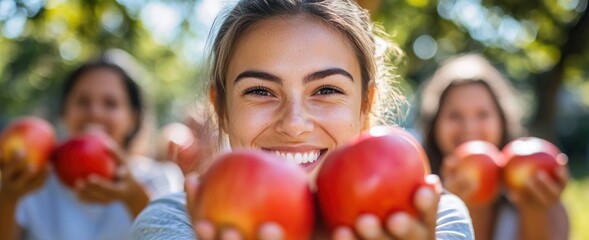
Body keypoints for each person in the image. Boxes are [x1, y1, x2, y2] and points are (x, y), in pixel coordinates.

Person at [130, 0, 475, 239]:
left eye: (325, 89)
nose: (294, 124)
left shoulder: (432, 220)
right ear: (220, 108)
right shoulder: (172, 224)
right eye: (260, 92)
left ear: (365, 105)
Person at [0, 50, 184, 240]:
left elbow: (172, 233)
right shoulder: (32, 182)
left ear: (133, 118)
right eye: (83, 101)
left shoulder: (160, 179)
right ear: (64, 112)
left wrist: (133, 197)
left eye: (110, 103)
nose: (95, 113)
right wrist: (8, 198)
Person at [418, 53, 569, 240]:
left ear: (502, 120)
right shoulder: (421, 199)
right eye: (454, 115)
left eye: (483, 114)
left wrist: (533, 212)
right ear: (435, 125)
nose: (470, 128)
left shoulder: (541, 193)